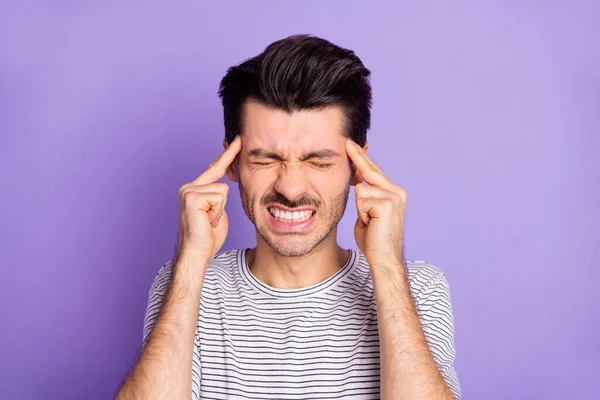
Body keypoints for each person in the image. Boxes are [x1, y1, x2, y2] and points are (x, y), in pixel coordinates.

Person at [117, 34, 461, 400]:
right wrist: (190, 261)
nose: (292, 188)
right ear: (233, 163)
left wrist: (388, 265)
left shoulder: (417, 289)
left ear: (359, 167)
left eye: (319, 160)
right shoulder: (184, 284)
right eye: (266, 159)